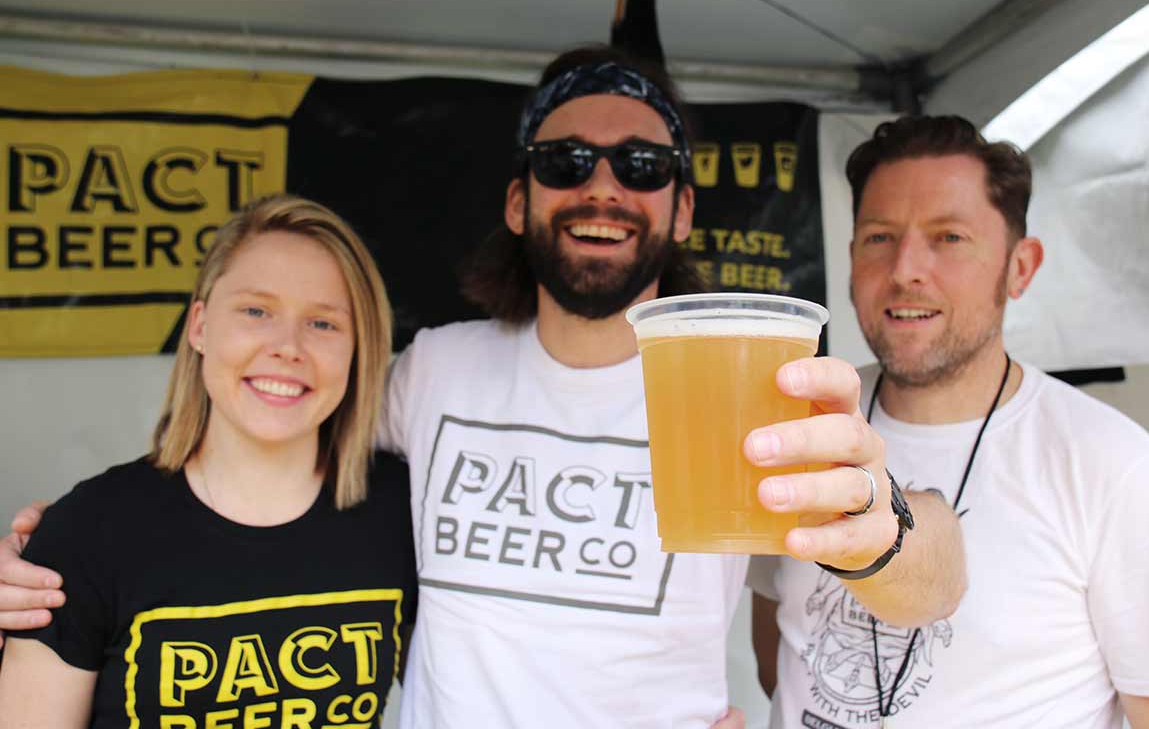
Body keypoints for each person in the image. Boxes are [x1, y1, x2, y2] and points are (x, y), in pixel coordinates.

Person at [0, 47, 965, 728]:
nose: (601, 187)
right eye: (563, 162)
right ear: (520, 200)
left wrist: (881, 522)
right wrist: (81, 543)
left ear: (679, 209)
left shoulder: (745, 382)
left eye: (639, 165)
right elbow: (256, 454)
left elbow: (932, 587)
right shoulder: (435, 370)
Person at [750, 115, 1149, 728]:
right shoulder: (800, 422)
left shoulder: (1115, 466)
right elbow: (778, 650)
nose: (907, 267)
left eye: (949, 237)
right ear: (851, 254)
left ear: (1021, 267)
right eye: (880, 237)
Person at [0, 195, 418, 728]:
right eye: (256, 311)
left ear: (360, 348)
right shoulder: (88, 531)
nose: (287, 347)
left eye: (323, 323)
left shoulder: (403, 513)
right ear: (198, 326)